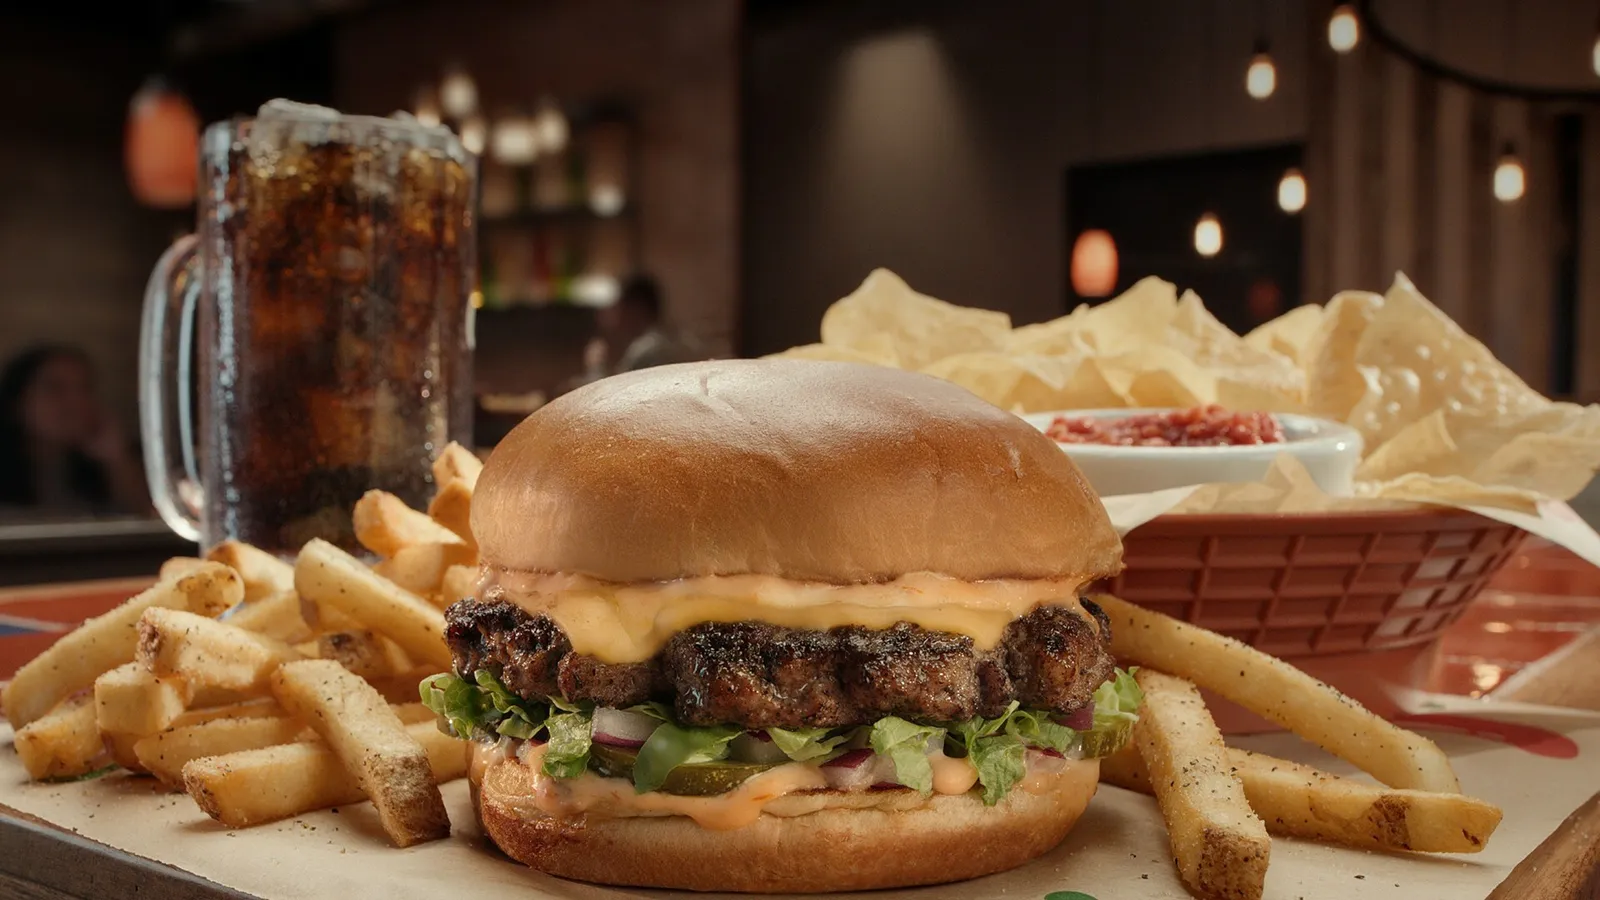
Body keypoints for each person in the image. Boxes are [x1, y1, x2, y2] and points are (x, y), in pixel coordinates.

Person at [0, 345, 150, 518]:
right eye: (55, 389)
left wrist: (116, 459)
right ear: (17, 402)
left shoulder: (111, 463)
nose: (76, 403)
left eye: (84, 389)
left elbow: (147, 519)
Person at [593, 275, 699, 375]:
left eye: (621, 308)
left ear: (637, 309)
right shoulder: (677, 340)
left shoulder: (646, 350)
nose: (616, 316)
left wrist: (599, 366)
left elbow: (620, 391)